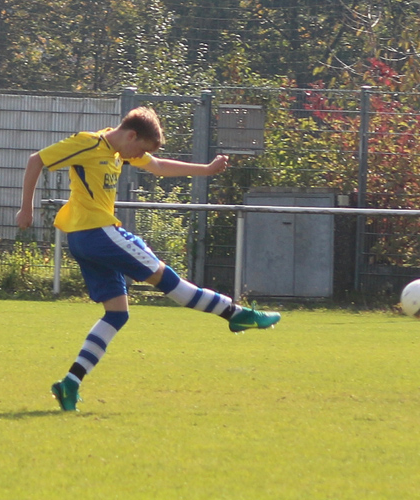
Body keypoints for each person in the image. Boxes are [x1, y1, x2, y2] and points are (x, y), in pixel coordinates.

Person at [15, 107, 281, 412]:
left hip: (84, 240)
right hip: (98, 234)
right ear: (131, 135)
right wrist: (27, 208)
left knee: (117, 314)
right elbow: (37, 159)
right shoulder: (88, 143)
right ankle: (234, 313)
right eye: (139, 148)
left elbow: (159, 165)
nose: (138, 156)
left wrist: (206, 169)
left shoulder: (120, 150)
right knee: (169, 281)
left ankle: (70, 384)